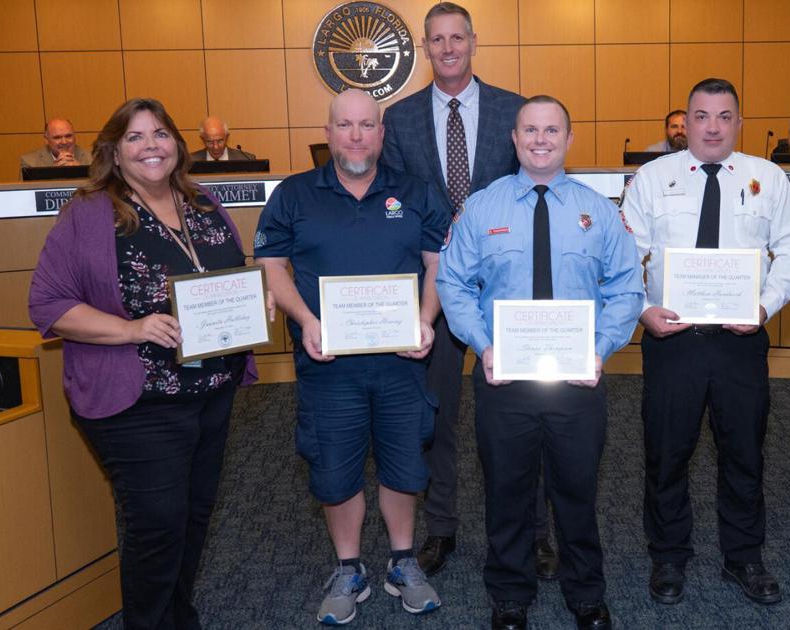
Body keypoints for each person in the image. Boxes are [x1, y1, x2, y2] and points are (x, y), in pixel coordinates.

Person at [28, 98, 259, 629]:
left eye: (159, 134)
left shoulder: (203, 203)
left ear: (176, 143)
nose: (150, 146)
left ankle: (178, 617)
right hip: (136, 400)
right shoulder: (91, 213)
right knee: (157, 526)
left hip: (211, 393)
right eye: (134, 137)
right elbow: (49, 304)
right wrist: (133, 328)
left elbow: (227, 276)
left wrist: (253, 303)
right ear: (113, 151)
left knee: (192, 517)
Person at [437, 95, 642, 630]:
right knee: (506, 491)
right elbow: (452, 283)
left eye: (552, 130)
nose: (541, 140)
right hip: (503, 378)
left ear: (569, 139)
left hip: (578, 379)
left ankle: (586, 593)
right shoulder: (481, 208)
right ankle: (509, 594)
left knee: (578, 490)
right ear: (514, 138)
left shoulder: (600, 211)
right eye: (530, 130)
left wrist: (601, 348)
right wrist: (483, 344)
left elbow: (627, 287)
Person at [254, 89, 448, 625]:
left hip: (401, 363)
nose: (356, 135)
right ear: (328, 132)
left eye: (366, 125)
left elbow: (437, 263)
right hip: (327, 364)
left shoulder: (416, 193)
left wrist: (425, 319)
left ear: (382, 133)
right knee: (335, 470)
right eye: (345, 125)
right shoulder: (293, 195)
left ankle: (403, 562)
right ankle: (348, 568)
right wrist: (306, 319)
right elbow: (272, 266)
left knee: (404, 465)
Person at [621, 78, 790, 606]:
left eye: (724, 116)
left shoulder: (767, 178)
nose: (712, 127)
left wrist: (764, 306)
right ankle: (668, 555)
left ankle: (744, 556)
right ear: (685, 122)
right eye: (702, 116)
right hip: (672, 339)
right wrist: (642, 309)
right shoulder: (652, 178)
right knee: (666, 452)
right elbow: (623, 254)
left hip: (739, 341)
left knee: (744, 452)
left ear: (739, 123)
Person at [380, 1, 551, 580]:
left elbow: (531, 190)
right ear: (425, 47)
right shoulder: (400, 117)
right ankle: (442, 527)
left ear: (474, 42)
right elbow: (397, 201)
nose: (448, 48)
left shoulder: (512, 109)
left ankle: (536, 532)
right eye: (437, 39)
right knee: (437, 416)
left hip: (507, 289)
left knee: (525, 413)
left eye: (458, 38)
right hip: (434, 288)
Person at [21, 117, 92, 168]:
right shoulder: (30, 162)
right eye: (57, 137)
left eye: (68, 136)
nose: (64, 142)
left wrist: (80, 171)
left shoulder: (93, 160)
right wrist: (54, 172)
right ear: (46, 140)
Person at [189, 116, 256, 162]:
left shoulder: (246, 159)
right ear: (202, 139)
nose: (216, 147)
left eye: (220, 141)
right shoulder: (190, 161)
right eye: (210, 142)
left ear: (227, 137)